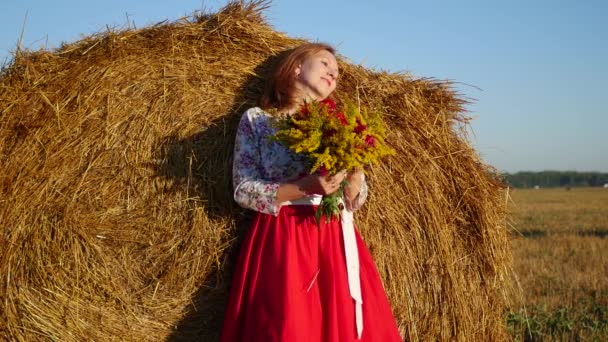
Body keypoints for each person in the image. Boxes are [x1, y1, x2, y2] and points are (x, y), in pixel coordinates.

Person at [220, 43, 402, 341]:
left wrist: (355, 173)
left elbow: (355, 199)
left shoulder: (339, 126)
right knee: (289, 326)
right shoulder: (259, 121)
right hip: (285, 237)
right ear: (296, 67)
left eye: (337, 71)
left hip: (334, 237)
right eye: (325, 63)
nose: (333, 72)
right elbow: (242, 189)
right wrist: (303, 187)